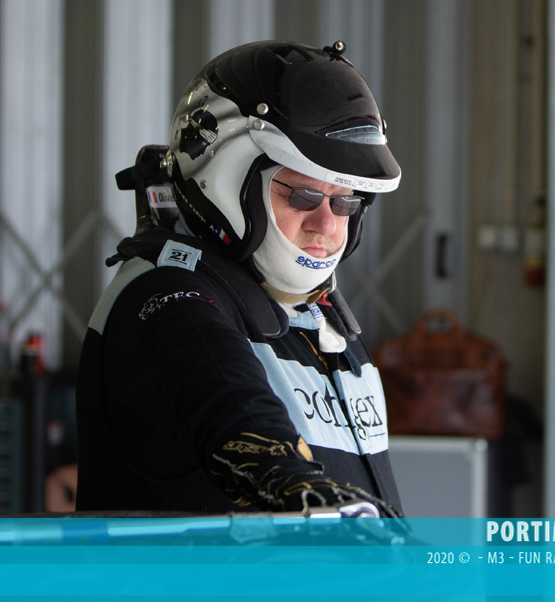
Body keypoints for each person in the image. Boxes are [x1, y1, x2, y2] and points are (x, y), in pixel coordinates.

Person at [76, 40, 403, 517]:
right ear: (227, 178)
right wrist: (291, 482)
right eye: (303, 196)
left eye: (346, 201)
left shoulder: (318, 315)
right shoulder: (164, 298)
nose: (328, 225)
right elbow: (229, 407)